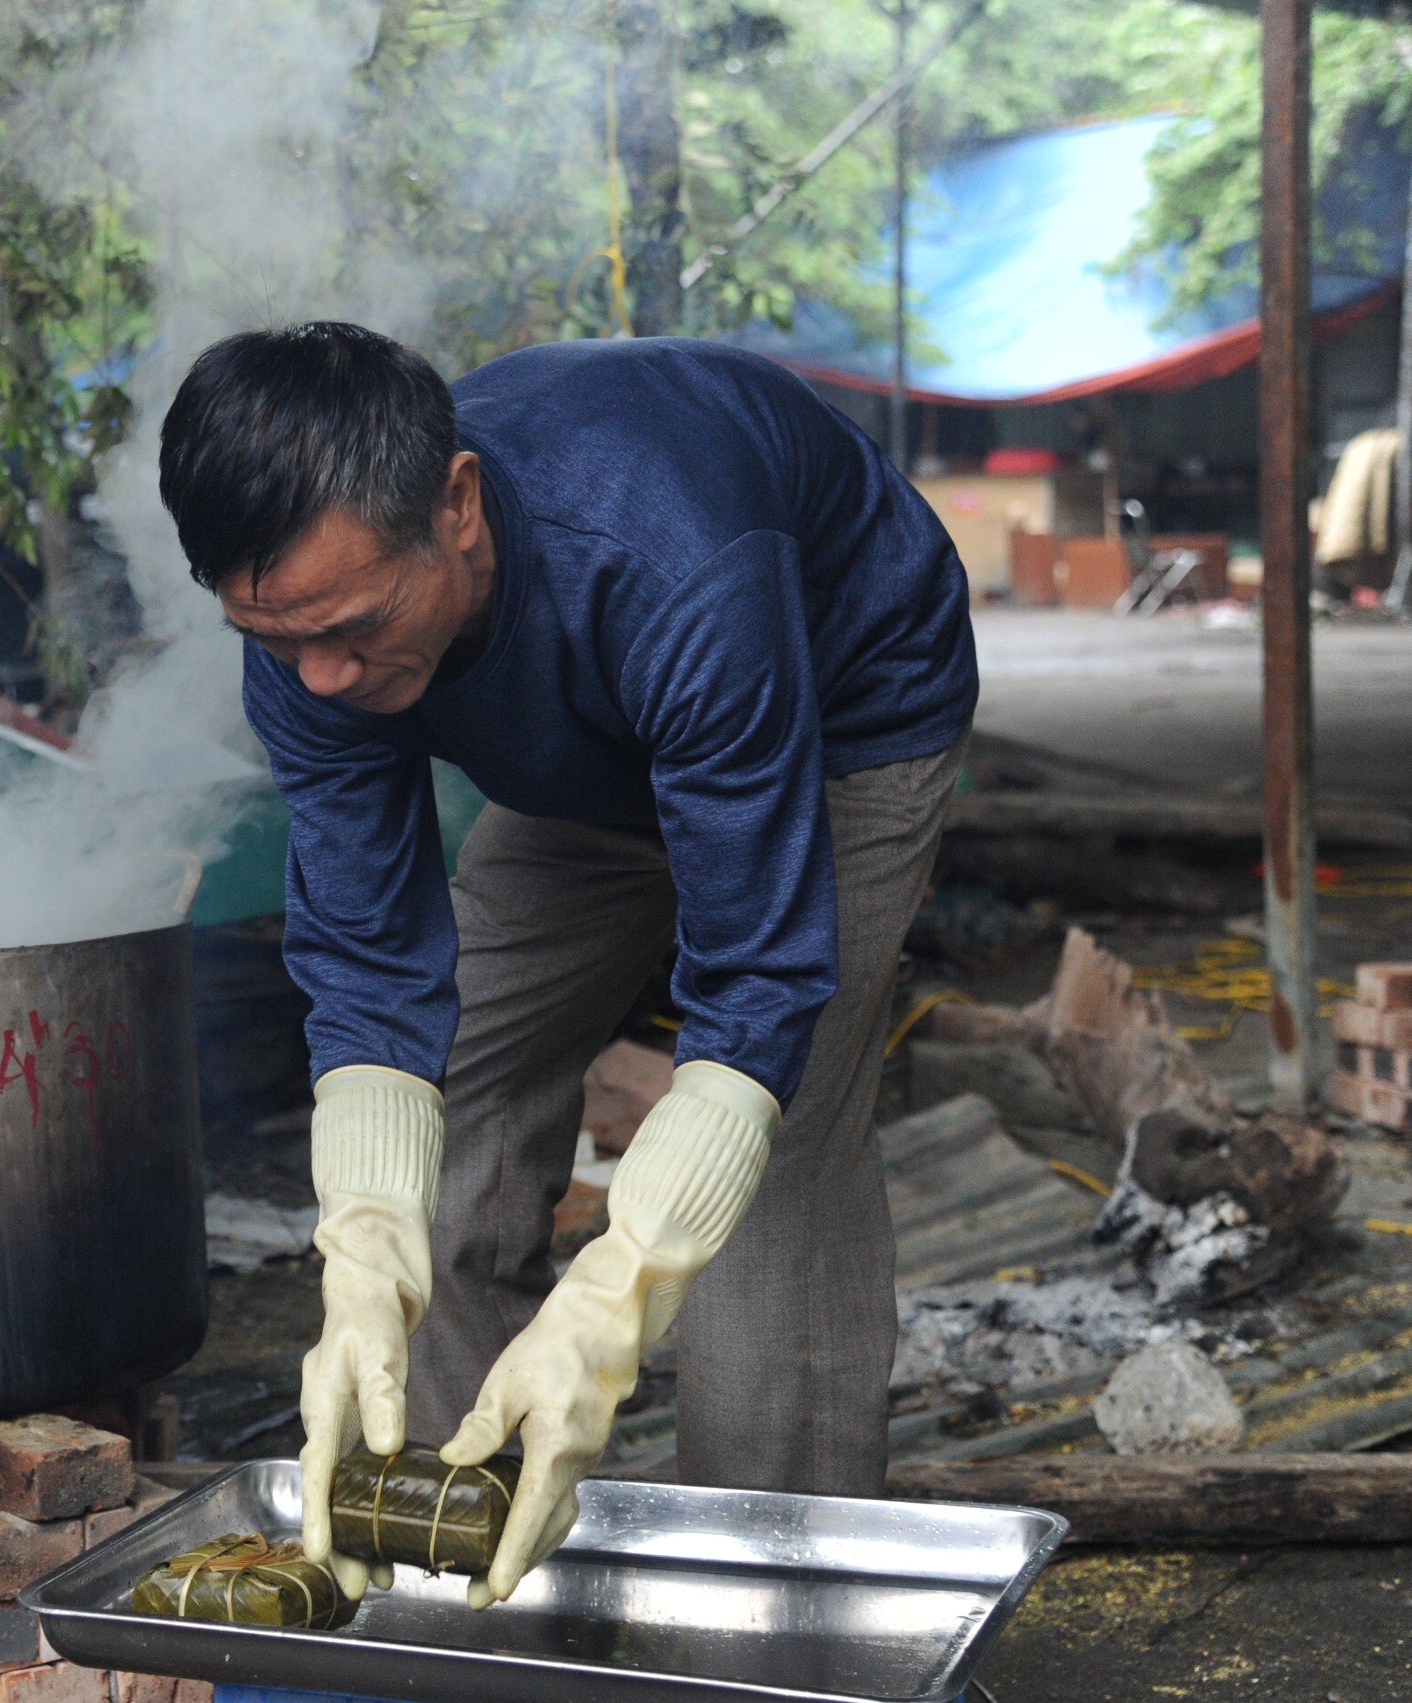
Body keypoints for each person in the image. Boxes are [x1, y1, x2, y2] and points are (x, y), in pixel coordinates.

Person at [156, 323, 976, 1608]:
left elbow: (754, 984)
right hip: (598, 747)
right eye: (275, 635)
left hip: (839, 708)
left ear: (460, 508)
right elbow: (372, 965)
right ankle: (463, 1531)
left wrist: (616, 1294)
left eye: (355, 625)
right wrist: (362, 1252)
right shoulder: (314, 635)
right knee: (458, 1069)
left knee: (775, 1143)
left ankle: (763, 1598)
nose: (320, 674)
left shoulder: (673, 559)